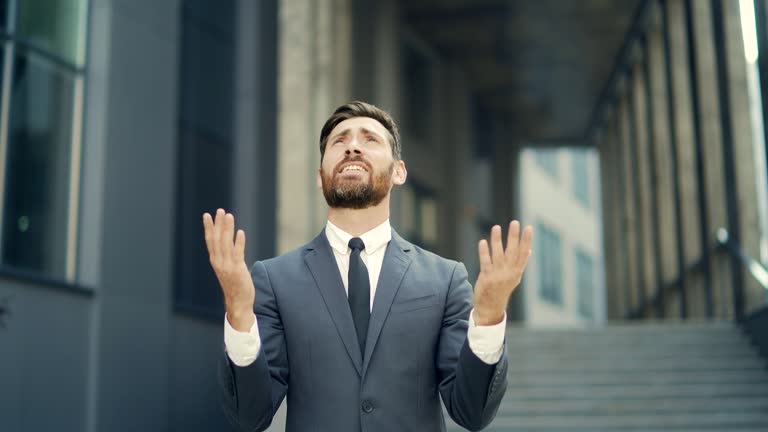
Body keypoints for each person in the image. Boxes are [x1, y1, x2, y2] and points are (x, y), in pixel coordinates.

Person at [203, 101, 533, 432]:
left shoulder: (445, 279)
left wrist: (489, 317)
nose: (353, 147)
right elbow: (250, 416)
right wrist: (239, 314)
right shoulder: (274, 279)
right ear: (320, 177)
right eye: (340, 141)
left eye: (370, 139)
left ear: (399, 171)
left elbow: (471, 412)